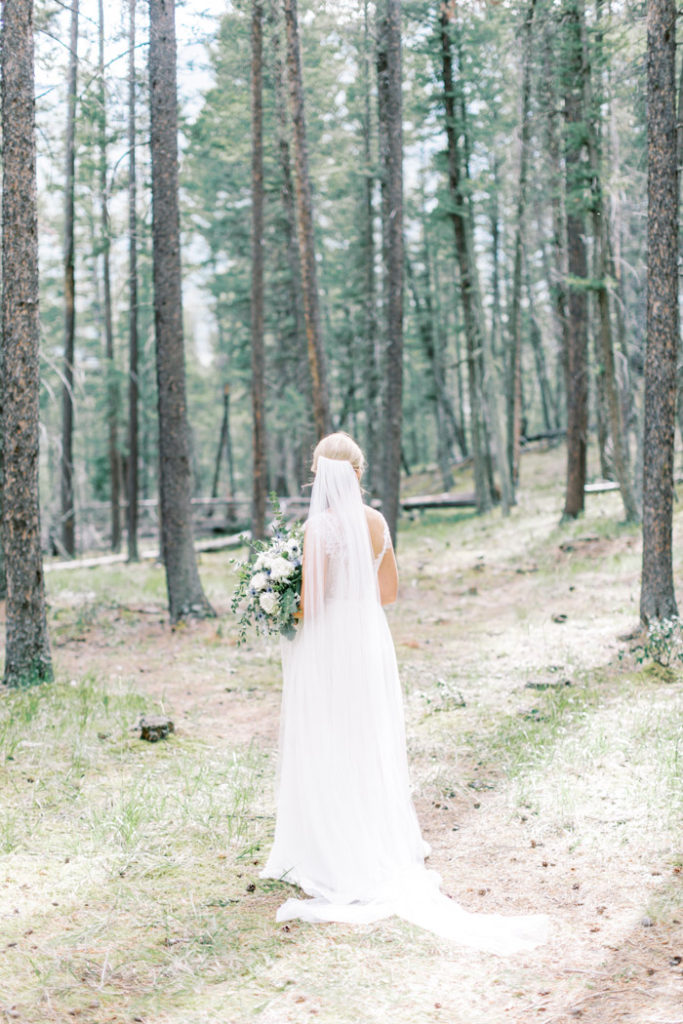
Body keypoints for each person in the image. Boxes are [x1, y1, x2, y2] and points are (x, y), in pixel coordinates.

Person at [260, 433, 548, 954]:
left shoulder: (315, 528)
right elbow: (388, 593)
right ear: (359, 472)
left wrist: (275, 604)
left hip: (327, 646)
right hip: (368, 644)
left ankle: (328, 847)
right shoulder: (375, 523)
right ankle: (373, 835)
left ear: (317, 475)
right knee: (366, 738)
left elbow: (312, 605)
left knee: (329, 738)